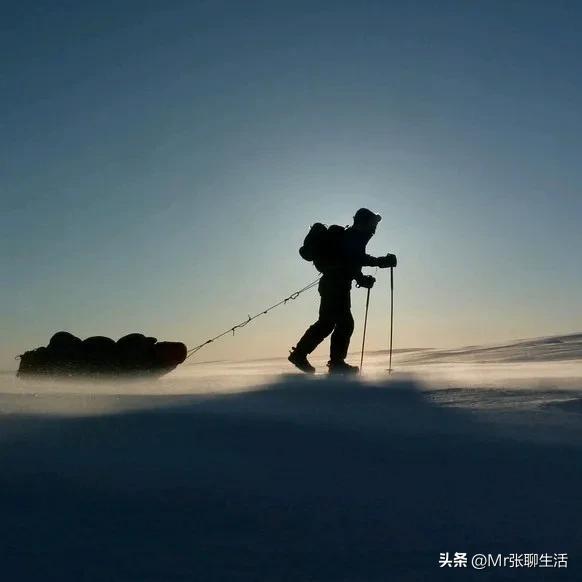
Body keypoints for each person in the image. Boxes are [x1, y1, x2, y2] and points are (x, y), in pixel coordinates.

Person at [289, 208, 397, 374]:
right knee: (342, 324)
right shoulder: (354, 236)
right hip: (335, 285)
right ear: (364, 222)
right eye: (373, 223)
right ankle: (333, 363)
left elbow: (351, 263)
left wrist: (362, 279)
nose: (374, 227)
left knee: (328, 323)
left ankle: (305, 355)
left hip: (335, 284)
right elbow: (355, 260)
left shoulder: (353, 236)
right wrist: (381, 262)